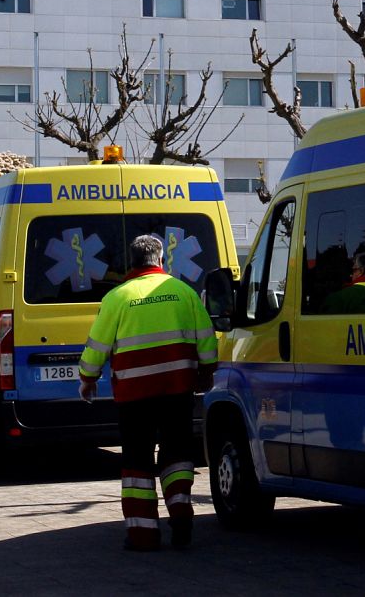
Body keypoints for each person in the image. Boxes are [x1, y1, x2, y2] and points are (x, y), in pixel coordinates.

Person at [78, 234, 218, 551]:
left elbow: (97, 345)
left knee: (137, 460)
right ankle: (181, 513)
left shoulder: (117, 297)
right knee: (178, 453)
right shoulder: (184, 293)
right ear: (161, 260)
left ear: (134, 261)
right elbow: (207, 339)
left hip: (134, 395)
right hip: (177, 390)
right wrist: (206, 372)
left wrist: (87, 377)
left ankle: (143, 534)